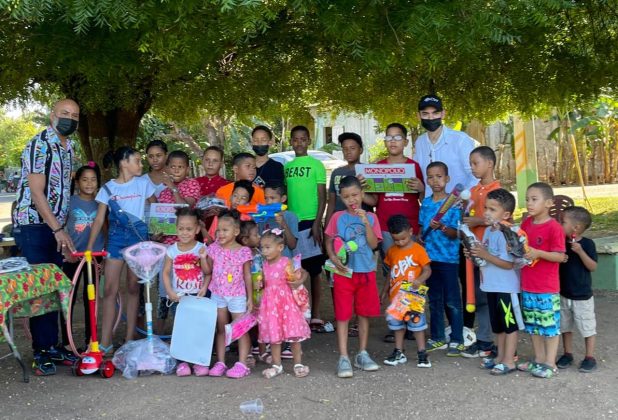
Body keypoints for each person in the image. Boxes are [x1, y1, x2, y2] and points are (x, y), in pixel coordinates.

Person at [12, 98, 80, 375]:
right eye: (64, 113)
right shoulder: (39, 143)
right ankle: (40, 352)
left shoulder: (69, 147)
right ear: (52, 115)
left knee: (54, 288)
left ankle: (52, 346)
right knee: (40, 287)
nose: (69, 118)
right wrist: (56, 229)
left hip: (56, 227)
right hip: (34, 225)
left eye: (75, 115)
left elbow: (64, 191)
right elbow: (37, 192)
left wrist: (63, 229)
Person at [86, 147, 156, 354]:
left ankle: (129, 339)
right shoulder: (107, 189)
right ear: (124, 162)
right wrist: (90, 248)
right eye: (137, 160)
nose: (141, 165)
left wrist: (157, 230)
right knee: (109, 290)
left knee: (134, 289)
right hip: (116, 240)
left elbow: (155, 207)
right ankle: (104, 342)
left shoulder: (144, 183)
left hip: (139, 239)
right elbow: (99, 219)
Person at [358, 123, 424, 343]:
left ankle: (414, 322)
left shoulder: (414, 166)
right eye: (389, 137)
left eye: (397, 137)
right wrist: (360, 192)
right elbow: (374, 201)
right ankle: (397, 324)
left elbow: (425, 199)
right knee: (393, 276)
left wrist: (422, 189)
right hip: (386, 230)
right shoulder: (377, 167)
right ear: (385, 142)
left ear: (405, 142)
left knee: (413, 275)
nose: (393, 141)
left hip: (411, 228)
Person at [324, 176, 382, 378]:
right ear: (341, 197)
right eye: (347, 196)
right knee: (343, 314)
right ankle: (343, 357)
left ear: (362, 194)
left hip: (365, 271)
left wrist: (366, 222)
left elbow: (374, 244)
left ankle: (362, 354)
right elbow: (329, 240)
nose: (352, 200)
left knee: (363, 313)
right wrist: (332, 256)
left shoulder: (372, 218)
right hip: (343, 273)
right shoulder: (337, 217)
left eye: (355, 195)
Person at [467, 189, 523, 374]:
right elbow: (486, 255)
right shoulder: (490, 231)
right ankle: (499, 356)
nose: (487, 213)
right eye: (486, 208)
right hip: (491, 286)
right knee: (498, 325)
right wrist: (475, 254)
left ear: (506, 214)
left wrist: (484, 254)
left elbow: (508, 264)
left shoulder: (506, 233)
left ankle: (509, 360)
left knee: (509, 325)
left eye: (492, 209)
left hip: (506, 288)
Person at [516, 182, 566, 378]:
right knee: (533, 324)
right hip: (528, 283)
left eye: (534, 199)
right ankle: (538, 359)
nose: (529, 203)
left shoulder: (554, 227)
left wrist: (538, 253)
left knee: (549, 326)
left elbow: (560, 256)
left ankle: (550, 363)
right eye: (527, 199)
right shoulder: (526, 223)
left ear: (548, 203)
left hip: (547, 286)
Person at [283, 126, 328, 332]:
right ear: (291, 142)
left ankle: (316, 315)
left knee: (314, 270)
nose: (299, 143)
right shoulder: (287, 166)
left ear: (308, 141)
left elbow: (322, 196)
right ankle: (299, 312)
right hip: (291, 223)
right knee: (293, 271)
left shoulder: (316, 165)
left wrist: (318, 223)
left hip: (310, 222)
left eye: (303, 139)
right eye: (295, 139)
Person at [418, 161, 464, 355]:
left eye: (439, 176)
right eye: (430, 177)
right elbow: (422, 227)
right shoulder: (426, 203)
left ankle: (457, 338)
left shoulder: (454, 204)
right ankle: (437, 337)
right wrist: (420, 237)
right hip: (429, 260)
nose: (435, 181)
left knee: (452, 300)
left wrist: (442, 227)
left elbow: (457, 234)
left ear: (447, 179)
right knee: (434, 299)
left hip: (448, 259)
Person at [203, 210, 254, 379]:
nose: (220, 233)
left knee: (240, 329)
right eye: (218, 230)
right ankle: (221, 362)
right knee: (221, 328)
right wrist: (203, 258)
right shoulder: (213, 249)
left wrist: (250, 297)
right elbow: (208, 270)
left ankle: (241, 363)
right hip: (218, 293)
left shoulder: (244, 251)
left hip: (237, 294)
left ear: (236, 232)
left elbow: (247, 275)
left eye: (225, 230)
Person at [461, 146, 501, 358]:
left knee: (490, 297)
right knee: (478, 296)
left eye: (476, 163)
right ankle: (485, 339)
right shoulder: (474, 190)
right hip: (474, 251)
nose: (472, 168)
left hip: (492, 254)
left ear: (490, 164)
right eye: (471, 163)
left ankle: (493, 341)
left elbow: (504, 219)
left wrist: (477, 220)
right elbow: (468, 215)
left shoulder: (498, 191)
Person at [160, 208, 211, 377]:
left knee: (199, 329)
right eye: (181, 228)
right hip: (179, 298)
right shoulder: (171, 250)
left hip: (197, 296)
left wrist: (204, 287)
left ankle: (198, 361)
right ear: (176, 228)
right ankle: (182, 362)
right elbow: (165, 273)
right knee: (181, 329)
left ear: (197, 229)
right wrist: (170, 291)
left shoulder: (201, 248)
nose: (185, 232)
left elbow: (208, 272)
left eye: (189, 229)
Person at [61, 162, 104, 350]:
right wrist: (65, 250)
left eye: (93, 180)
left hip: (94, 257)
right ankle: (67, 342)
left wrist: (105, 256)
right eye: (84, 180)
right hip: (73, 256)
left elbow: (106, 228)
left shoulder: (102, 203)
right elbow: (61, 227)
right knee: (67, 299)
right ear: (77, 182)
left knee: (91, 299)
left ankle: (90, 341)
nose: (89, 183)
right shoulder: (69, 202)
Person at [257, 229, 311, 378]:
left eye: (268, 247)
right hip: (270, 305)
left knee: (294, 334)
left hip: (286, 305)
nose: (264, 251)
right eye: (262, 247)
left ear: (280, 247)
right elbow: (264, 282)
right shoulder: (264, 265)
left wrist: (298, 280)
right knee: (275, 335)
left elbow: (301, 274)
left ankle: (298, 363)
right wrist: (259, 284)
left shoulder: (286, 262)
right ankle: (277, 364)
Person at [381, 215, 432, 368]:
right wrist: (384, 291)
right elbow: (391, 272)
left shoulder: (418, 250)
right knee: (397, 325)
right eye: (396, 240)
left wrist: (419, 280)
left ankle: (422, 352)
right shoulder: (391, 251)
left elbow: (428, 270)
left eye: (403, 238)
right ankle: (398, 351)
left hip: (413, 296)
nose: (400, 242)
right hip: (396, 296)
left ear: (410, 232)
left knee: (417, 324)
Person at [557, 206, 598, 373]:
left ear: (576, 228)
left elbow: (592, 266)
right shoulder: (560, 242)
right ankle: (567, 353)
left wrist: (580, 252)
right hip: (563, 293)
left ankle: (589, 356)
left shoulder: (587, 244)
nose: (559, 224)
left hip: (582, 296)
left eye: (563, 222)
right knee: (565, 326)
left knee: (587, 327)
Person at [413, 94, 478, 192]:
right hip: (430, 206)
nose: (431, 118)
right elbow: (419, 175)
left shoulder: (460, 140)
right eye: (425, 114)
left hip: (458, 205)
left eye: (435, 113)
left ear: (443, 114)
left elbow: (475, 175)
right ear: (418, 116)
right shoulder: (420, 142)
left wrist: (460, 198)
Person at [325, 132, 372, 227]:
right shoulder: (336, 172)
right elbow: (331, 203)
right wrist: (327, 226)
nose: (348, 152)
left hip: (362, 223)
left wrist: (358, 189)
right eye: (345, 149)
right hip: (340, 223)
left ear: (361, 150)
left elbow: (373, 202)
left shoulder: (368, 171)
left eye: (352, 148)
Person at [156, 150, 201, 245]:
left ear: (187, 170)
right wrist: (156, 235)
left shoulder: (192, 183)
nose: (176, 170)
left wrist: (173, 187)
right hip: (166, 242)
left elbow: (185, 207)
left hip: (185, 240)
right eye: (173, 167)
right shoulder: (163, 191)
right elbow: (159, 218)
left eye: (180, 167)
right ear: (167, 169)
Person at [257, 182, 299, 258]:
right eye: (266, 198)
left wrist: (284, 225)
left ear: (283, 199)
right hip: (265, 263)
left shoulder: (290, 216)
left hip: (285, 264)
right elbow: (258, 243)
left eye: (272, 198)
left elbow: (292, 245)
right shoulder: (262, 216)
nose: (268, 202)